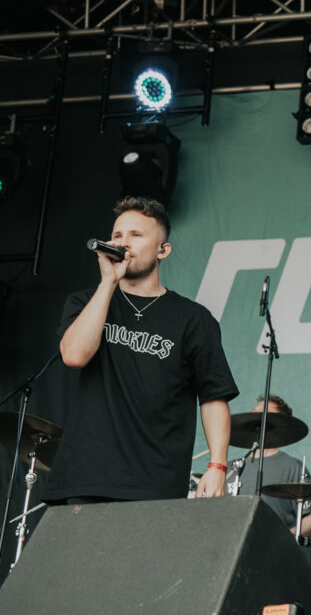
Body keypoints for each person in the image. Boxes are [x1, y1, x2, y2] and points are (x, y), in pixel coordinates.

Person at [45, 197, 238, 504]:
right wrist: (108, 283)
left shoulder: (193, 319)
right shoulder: (85, 302)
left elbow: (213, 396)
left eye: (136, 235)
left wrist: (217, 465)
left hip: (158, 480)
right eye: (118, 235)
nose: (124, 243)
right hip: (88, 477)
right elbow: (74, 355)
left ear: (163, 250)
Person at [235, 395, 311, 537]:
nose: (256, 416)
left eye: (264, 412)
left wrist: (282, 539)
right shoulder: (232, 467)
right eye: (254, 412)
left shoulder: (292, 466)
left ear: (279, 423)